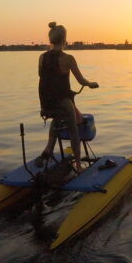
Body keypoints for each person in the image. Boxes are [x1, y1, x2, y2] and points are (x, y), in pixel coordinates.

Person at [38, 21, 98, 172]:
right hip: (62, 101)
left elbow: (41, 75)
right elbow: (81, 80)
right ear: (65, 39)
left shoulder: (41, 57)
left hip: (45, 103)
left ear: (50, 39)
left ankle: (47, 152)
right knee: (74, 130)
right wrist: (90, 84)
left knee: (56, 119)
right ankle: (78, 165)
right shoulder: (68, 58)